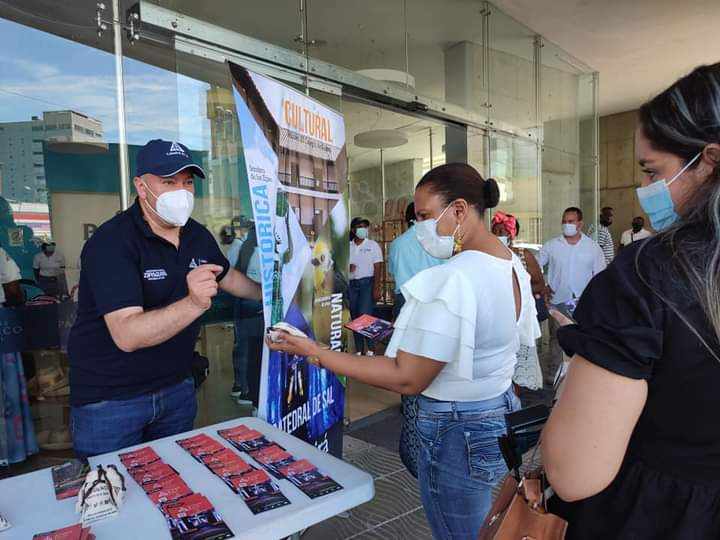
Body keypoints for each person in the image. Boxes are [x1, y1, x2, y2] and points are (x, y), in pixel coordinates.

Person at [268, 163, 540, 539]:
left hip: (455, 431)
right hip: (494, 411)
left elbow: (407, 377)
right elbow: (481, 338)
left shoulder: (453, 277)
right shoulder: (510, 263)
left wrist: (314, 351)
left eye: (426, 216)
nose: (420, 229)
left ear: (459, 210)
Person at [542, 63, 720, 539]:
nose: (645, 191)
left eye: (651, 170)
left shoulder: (650, 272)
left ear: (709, 161)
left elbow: (573, 471)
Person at [67, 139, 261, 459]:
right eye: (168, 182)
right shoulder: (112, 242)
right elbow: (127, 334)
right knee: (114, 499)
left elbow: (228, 277)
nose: (181, 192)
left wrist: (273, 297)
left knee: (176, 489)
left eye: (187, 183)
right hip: (111, 401)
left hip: (176, 389)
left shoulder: (197, 234)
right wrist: (194, 303)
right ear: (142, 187)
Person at [387, 202, 444, 478]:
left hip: (407, 306)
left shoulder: (397, 245)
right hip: (437, 307)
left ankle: (409, 405)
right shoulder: (442, 244)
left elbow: (396, 277)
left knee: (405, 365)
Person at [536, 207, 606, 384]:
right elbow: (534, 266)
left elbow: (600, 277)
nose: (567, 225)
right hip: (557, 300)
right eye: (564, 221)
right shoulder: (552, 246)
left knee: (584, 340)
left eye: (571, 221)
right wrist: (542, 287)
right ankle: (554, 376)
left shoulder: (592, 247)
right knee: (557, 340)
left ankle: (580, 378)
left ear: (580, 224)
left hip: (583, 303)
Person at [491, 211, 545, 392]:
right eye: (495, 231)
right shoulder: (487, 255)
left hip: (519, 317)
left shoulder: (524, 255)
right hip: (495, 318)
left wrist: (521, 291)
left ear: (511, 234)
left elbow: (539, 284)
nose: (498, 235)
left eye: (502, 231)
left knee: (517, 363)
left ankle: (515, 400)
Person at [387, 203, 443, 320]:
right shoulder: (439, 242)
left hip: (404, 299)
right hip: (432, 298)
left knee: (403, 337)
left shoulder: (396, 244)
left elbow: (392, 272)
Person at [348, 217, 383, 355]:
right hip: (352, 285)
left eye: (365, 227)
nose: (363, 230)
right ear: (353, 230)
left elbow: (378, 267)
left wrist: (376, 287)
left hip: (367, 284)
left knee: (365, 316)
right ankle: (358, 349)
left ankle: (370, 348)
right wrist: (347, 267)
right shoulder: (348, 246)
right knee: (355, 317)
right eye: (360, 227)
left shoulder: (372, 245)